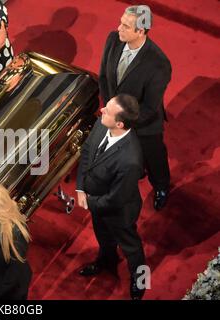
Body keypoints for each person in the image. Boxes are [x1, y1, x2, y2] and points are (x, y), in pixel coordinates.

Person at [99, 5, 172, 211]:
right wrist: (110, 109)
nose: (118, 27)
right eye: (121, 21)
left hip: (145, 124)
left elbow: (149, 106)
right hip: (117, 118)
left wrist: (123, 120)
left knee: (154, 159)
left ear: (141, 31)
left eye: (125, 26)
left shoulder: (159, 64)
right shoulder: (113, 39)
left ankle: (161, 187)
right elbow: (104, 77)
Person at [76, 94, 146, 300]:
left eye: (106, 111)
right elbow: (87, 151)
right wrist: (80, 188)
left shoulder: (131, 160)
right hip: (98, 204)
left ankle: (142, 281)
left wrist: (88, 202)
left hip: (119, 211)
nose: (101, 111)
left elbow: (116, 198)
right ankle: (106, 260)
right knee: (104, 238)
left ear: (120, 123)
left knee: (132, 248)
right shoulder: (103, 123)